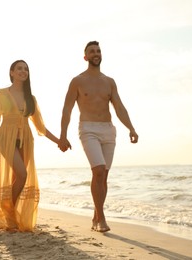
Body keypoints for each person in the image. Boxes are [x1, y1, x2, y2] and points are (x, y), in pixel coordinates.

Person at [59, 41, 139, 232]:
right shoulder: (77, 81)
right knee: (99, 170)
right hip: (88, 130)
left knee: (103, 177)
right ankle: (101, 219)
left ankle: (96, 216)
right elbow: (67, 109)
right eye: (91, 51)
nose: (96, 53)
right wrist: (63, 135)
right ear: (85, 57)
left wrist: (131, 128)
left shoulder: (109, 82)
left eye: (98, 51)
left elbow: (119, 107)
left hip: (108, 129)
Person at [0, 60, 62, 232]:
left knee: (17, 178)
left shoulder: (31, 98)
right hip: (6, 137)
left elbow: (40, 127)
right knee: (22, 173)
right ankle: (8, 212)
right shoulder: (1, 94)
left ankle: (12, 216)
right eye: (19, 68)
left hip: (25, 139)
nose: (23, 71)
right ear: (12, 72)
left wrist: (58, 141)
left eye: (26, 69)